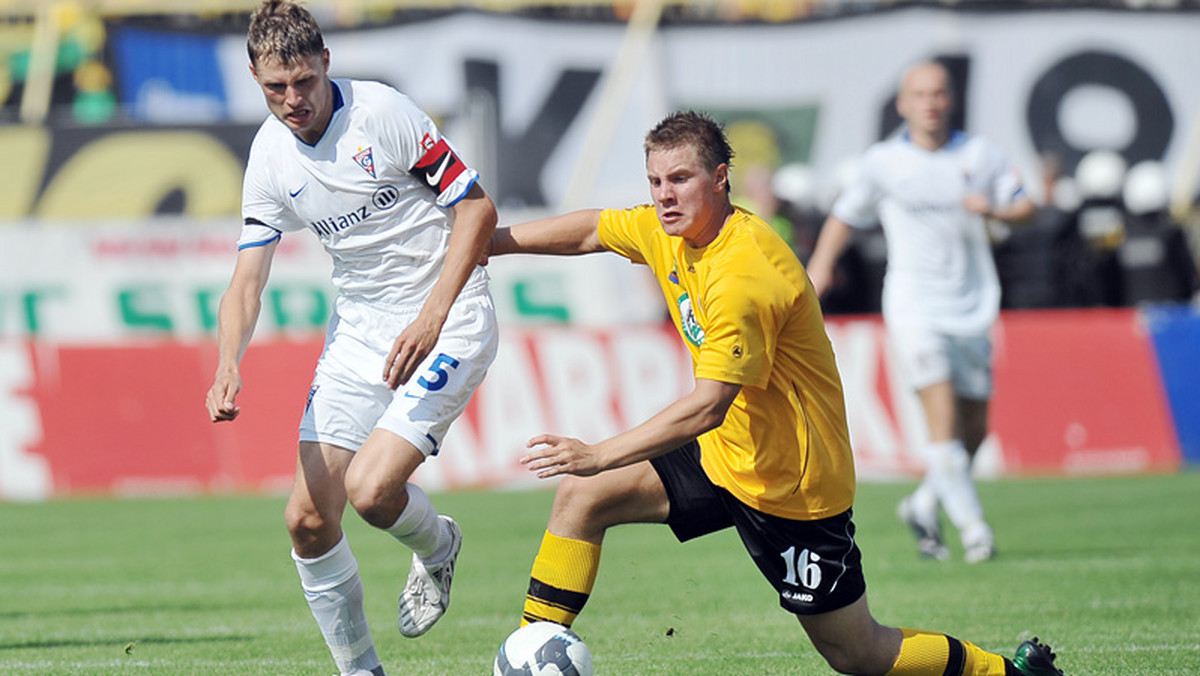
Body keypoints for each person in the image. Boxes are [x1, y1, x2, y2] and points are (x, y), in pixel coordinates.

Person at [487, 110, 1064, 676]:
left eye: (681, 179)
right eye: (656, 181)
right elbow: (592, 229)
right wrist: (488, 242)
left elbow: (709, 404)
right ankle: (531, 655)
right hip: (726, 454)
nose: (664, 195)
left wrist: (601, 453)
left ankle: (1008, 673)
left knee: (858, 654)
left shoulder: (744, 272)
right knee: (582, 497)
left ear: (720, 179)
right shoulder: (669, 231)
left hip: (792, 484)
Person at [204, 2, 499, 675]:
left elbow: (477, 208)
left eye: (303, 81)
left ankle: (436, 546)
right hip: (361, 332)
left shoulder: (383, 114)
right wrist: (228, 362)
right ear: (255, 76)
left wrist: (431, 316)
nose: (292, 100)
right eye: (275, 87)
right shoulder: (270, 156)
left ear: (326, 63)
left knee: (370, 493)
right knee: (307, 521)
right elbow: (248, 278)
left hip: (448, 318)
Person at [806, 61, 1036, 564]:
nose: (930, 102)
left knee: (974, 431)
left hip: (973, 305)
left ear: (950, 99)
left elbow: (1025, 205)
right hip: (914, 305)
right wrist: (819, 266)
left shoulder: (981, 156)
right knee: (942, 418)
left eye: (938, 93)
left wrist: (994, 210)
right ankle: (975, 530)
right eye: (920, 94)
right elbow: (845, 214)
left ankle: (924, 502)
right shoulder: (883, 162)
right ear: (903, 104)